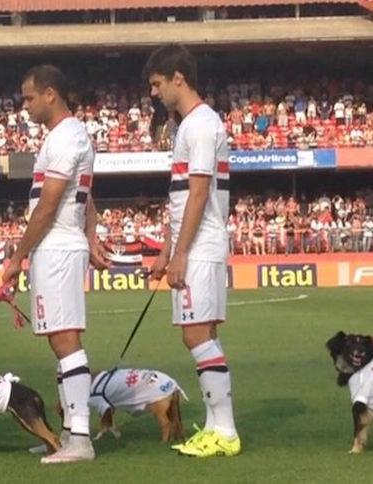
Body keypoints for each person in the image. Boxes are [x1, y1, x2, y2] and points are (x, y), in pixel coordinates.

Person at [1, 64, 108, 464]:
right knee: (58, 340)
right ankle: (68, 432)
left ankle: (80, 437)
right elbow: (87, 198)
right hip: (60, 245)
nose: (25, 106)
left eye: (29, 97)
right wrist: (91, 236)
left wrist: (16, 257)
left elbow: (48, 207)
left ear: (50, 94)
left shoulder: (66, 136)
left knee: (66, 340)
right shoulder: (65, 137)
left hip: (58, 246)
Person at [144, 43, 241, 457]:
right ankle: (218, 426)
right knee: (202, 335)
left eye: (157, 84)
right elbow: (184, 196)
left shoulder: (200, 125)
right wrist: (167, 250)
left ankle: (225, 430)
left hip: (200, 247)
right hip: (197, 244)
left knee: (196, 335)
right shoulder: (191, 125)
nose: (154, 93)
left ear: (178, 78)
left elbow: (199, 192)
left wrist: (181, 253)